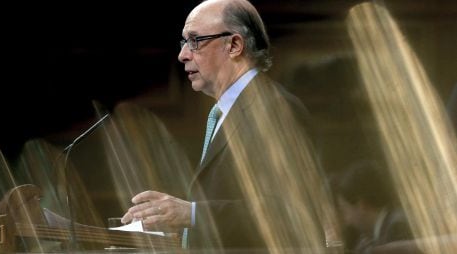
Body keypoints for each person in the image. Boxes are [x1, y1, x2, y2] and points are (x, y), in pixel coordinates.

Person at [121, 0, 331, 250]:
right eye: (184, 42)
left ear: (233, 45)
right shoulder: (226, 112)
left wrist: (192, 215)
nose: (183, 54)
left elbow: (292, 211)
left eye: (195, 41)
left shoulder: (273, 109)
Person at [333, 160, 415, 254]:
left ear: (362, 205)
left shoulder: (396, 227)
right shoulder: (374, 234)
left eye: (346, 211)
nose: (347, 221)